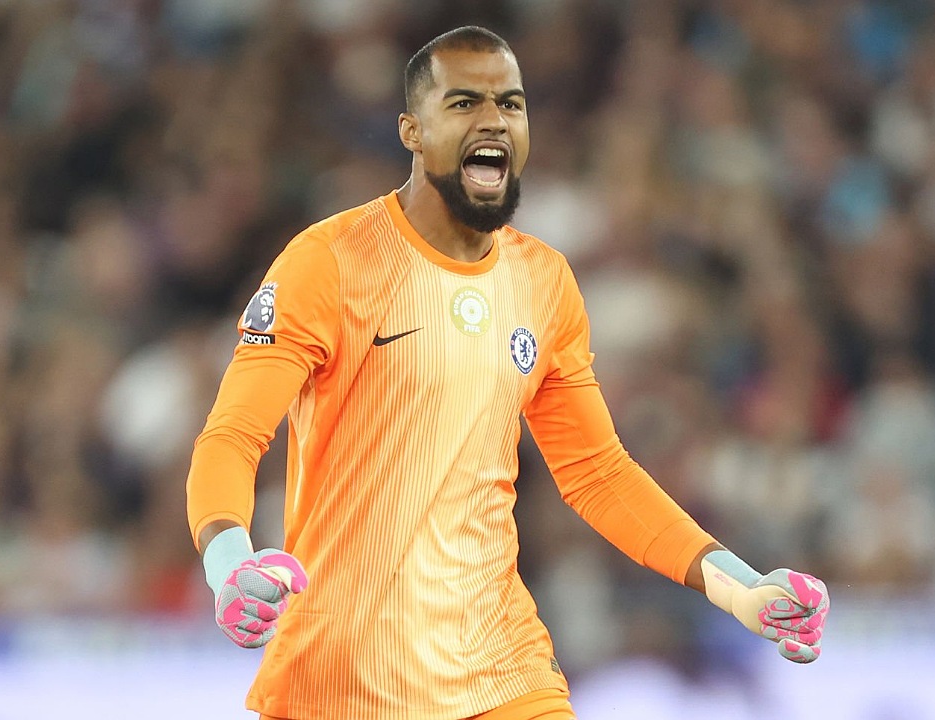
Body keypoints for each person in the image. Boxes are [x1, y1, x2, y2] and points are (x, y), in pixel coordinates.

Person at [185, 25, 829, 720]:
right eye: (464, 104)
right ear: (412, 130)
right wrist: (229, 569)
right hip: (347, 677)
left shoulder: (542, 281)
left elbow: (597, 472)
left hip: (502, 670)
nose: (493, 121)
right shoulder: (329, 262)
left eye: (511, 104)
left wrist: (739, 588)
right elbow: (232, 436)